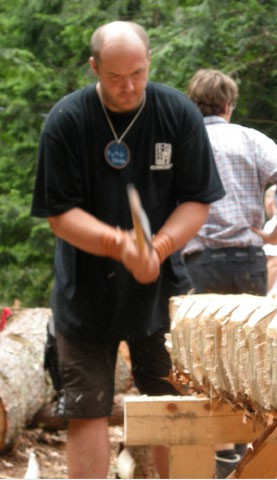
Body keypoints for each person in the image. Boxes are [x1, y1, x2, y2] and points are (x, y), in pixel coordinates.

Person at [31, 21, 224, 478]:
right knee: (87, 408)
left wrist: (157, 247)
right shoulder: (67, 120)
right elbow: (60, 215)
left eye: (137, 73)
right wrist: (121, 245)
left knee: (172, 402)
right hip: (85, 291)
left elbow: (197, 202)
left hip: (162, 289)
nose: (128, 86)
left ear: (149, 62)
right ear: (95, 67)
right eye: (115, 77)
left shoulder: (177, 113)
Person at [182, 69, 277, 476]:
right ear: (229, 104)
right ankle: (241, 454)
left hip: (197, 262)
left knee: (204, 359)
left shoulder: (183, 142)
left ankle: (221, 456)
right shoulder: (249, 139)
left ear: (192, 102)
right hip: (246, 261)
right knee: (245, 360)